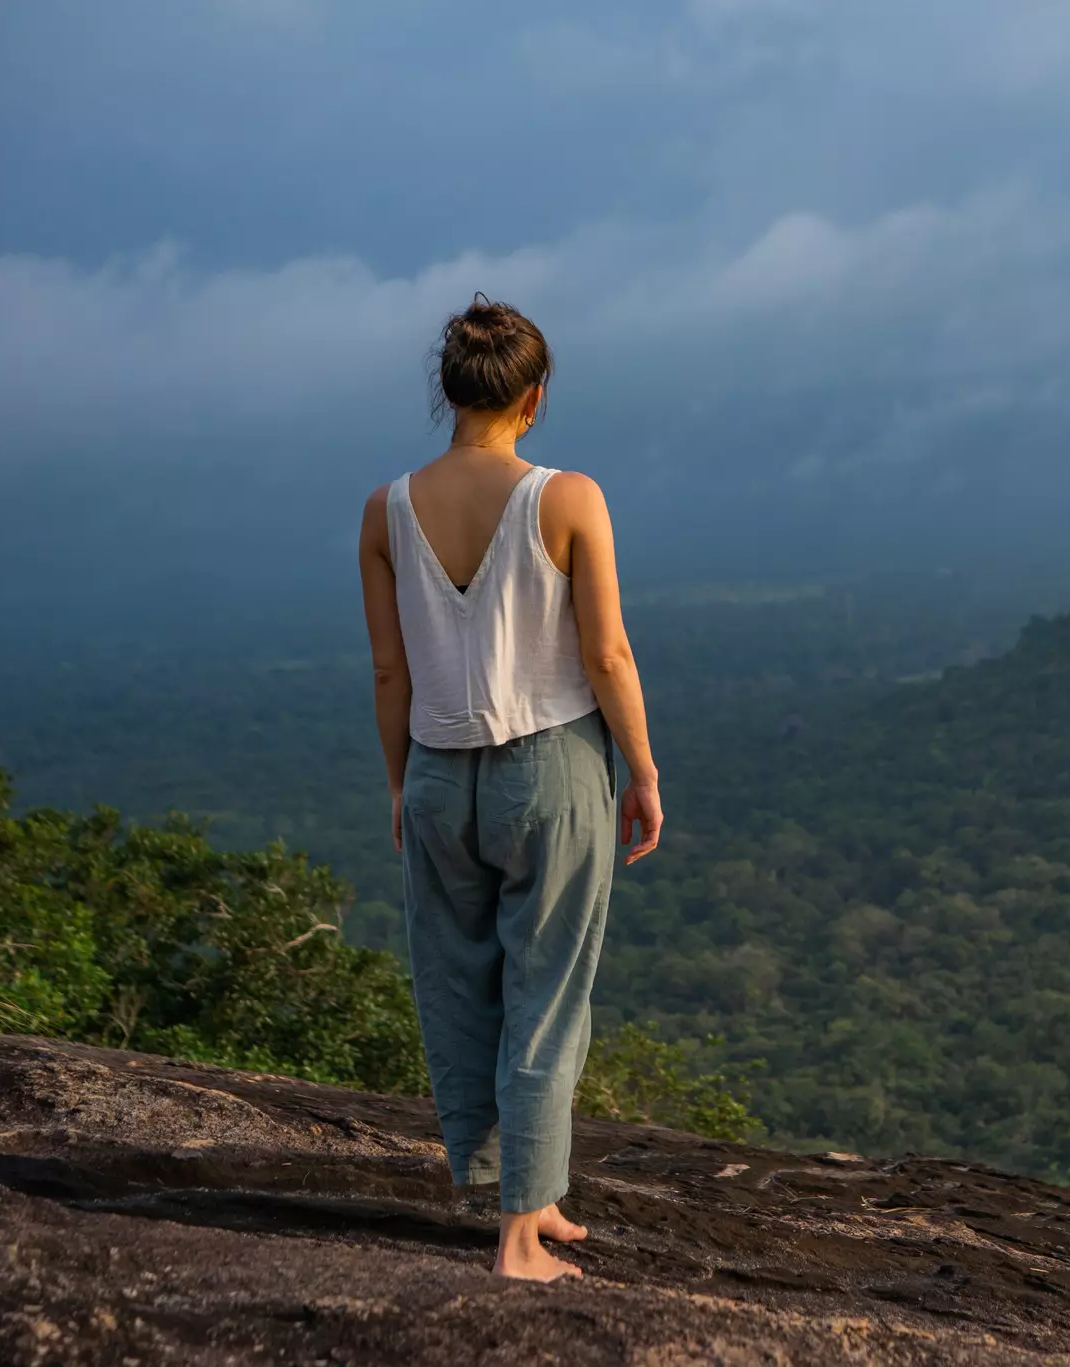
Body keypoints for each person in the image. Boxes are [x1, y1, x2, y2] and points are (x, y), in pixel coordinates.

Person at [357, 293, 662, 1281]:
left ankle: (515, 1188)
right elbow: (606, 652)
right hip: (552, 765)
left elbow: (389, 672)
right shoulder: (567, 496)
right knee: (546, 990)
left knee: (458, 982)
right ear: (532, 398)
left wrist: (405, 783)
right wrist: (644, 769)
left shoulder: (386, 508)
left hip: (440, 770)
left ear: (448, 395)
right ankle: (521, 1231)